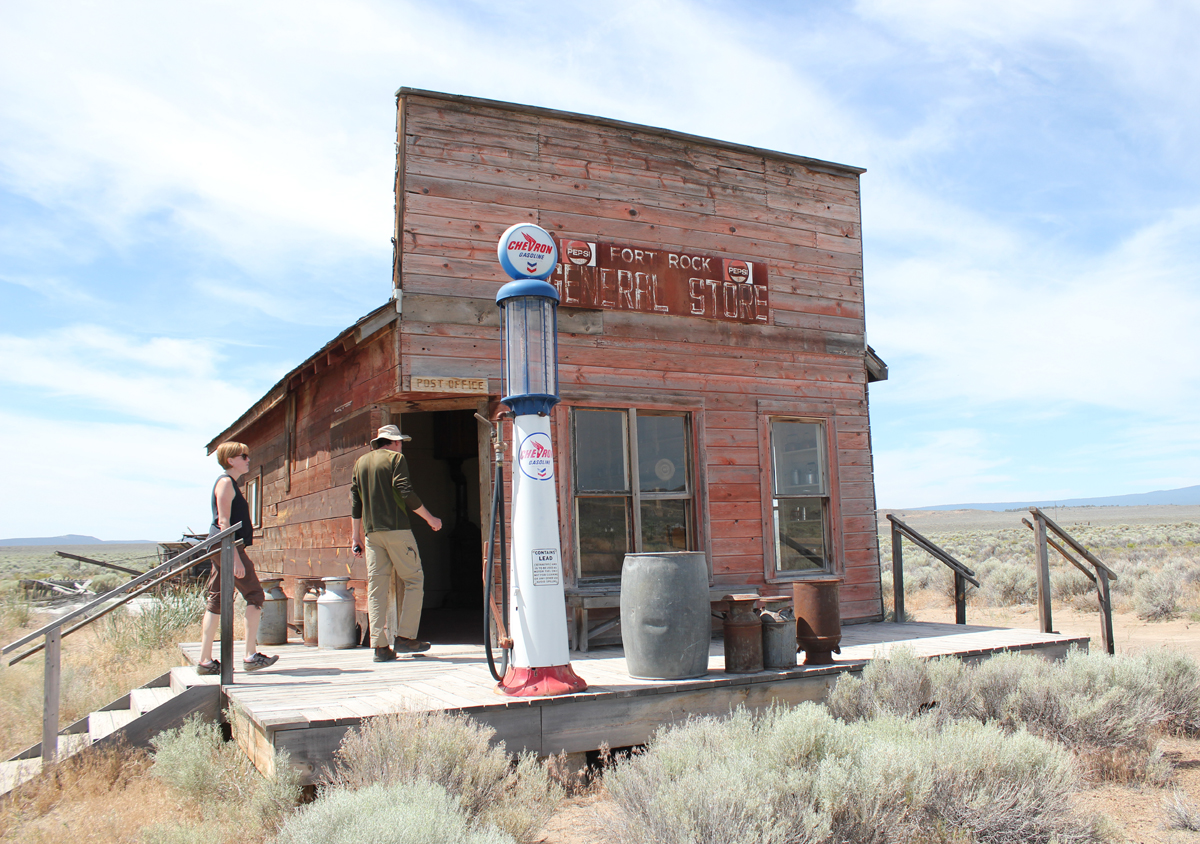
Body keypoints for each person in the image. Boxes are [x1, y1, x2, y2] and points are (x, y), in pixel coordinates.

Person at [350, 424, 443, 662]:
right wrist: (430, 518)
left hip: (371, 534)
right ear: (394, 442)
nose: (402, 445)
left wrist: (355, 537)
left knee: (377, 587)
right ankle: (405, 638)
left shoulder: (360, 463)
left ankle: (380, 647)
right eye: (400, 441)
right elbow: (404, 490)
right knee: (414, 580)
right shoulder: (396, 458)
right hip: (397, 529)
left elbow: (355, 501)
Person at [196, 442, 278, 674]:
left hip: (222, 547)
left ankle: (205, 662)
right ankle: (250, 656)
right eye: (244, 456)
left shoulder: (230, 483)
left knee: (217, 600)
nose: (248, 460)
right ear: (231, 460)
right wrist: (235, 558)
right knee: (255, 595)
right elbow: (224, 522)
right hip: (227, 546)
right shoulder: (225, 483)